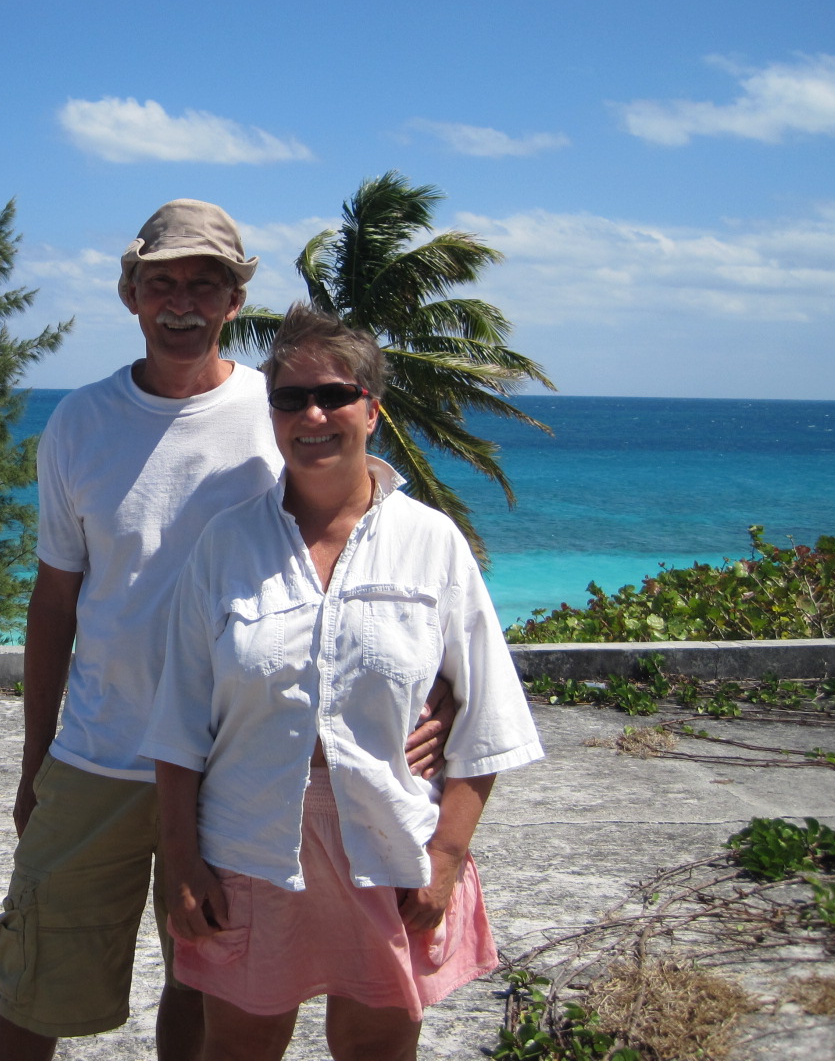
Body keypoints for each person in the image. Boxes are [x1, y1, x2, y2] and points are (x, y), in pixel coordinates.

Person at [0, 204, 457, 1061]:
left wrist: (446, 704)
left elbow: (387, 556)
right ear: (130, 294)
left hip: (236, 769)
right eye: (161, 281)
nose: (182, 301)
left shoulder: (281, 413)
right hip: (99, 750)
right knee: (36, 977)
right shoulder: (79, 424)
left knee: (205, 988)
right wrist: (35, 760)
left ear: (236, 299)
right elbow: (55, 601)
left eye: (206, 282)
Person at [141, 302, 544, 1061]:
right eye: (290, 398)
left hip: (391, 844)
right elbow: (179, 723)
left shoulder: (431, 543)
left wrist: (448, 857)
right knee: (238, 1047)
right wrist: (184, 864)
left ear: (373, 409)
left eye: (335, 395)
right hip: (250, 844)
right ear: (272, 413)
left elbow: (489, 715)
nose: (313, 414)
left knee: (376, 1046)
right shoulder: (227, 544)